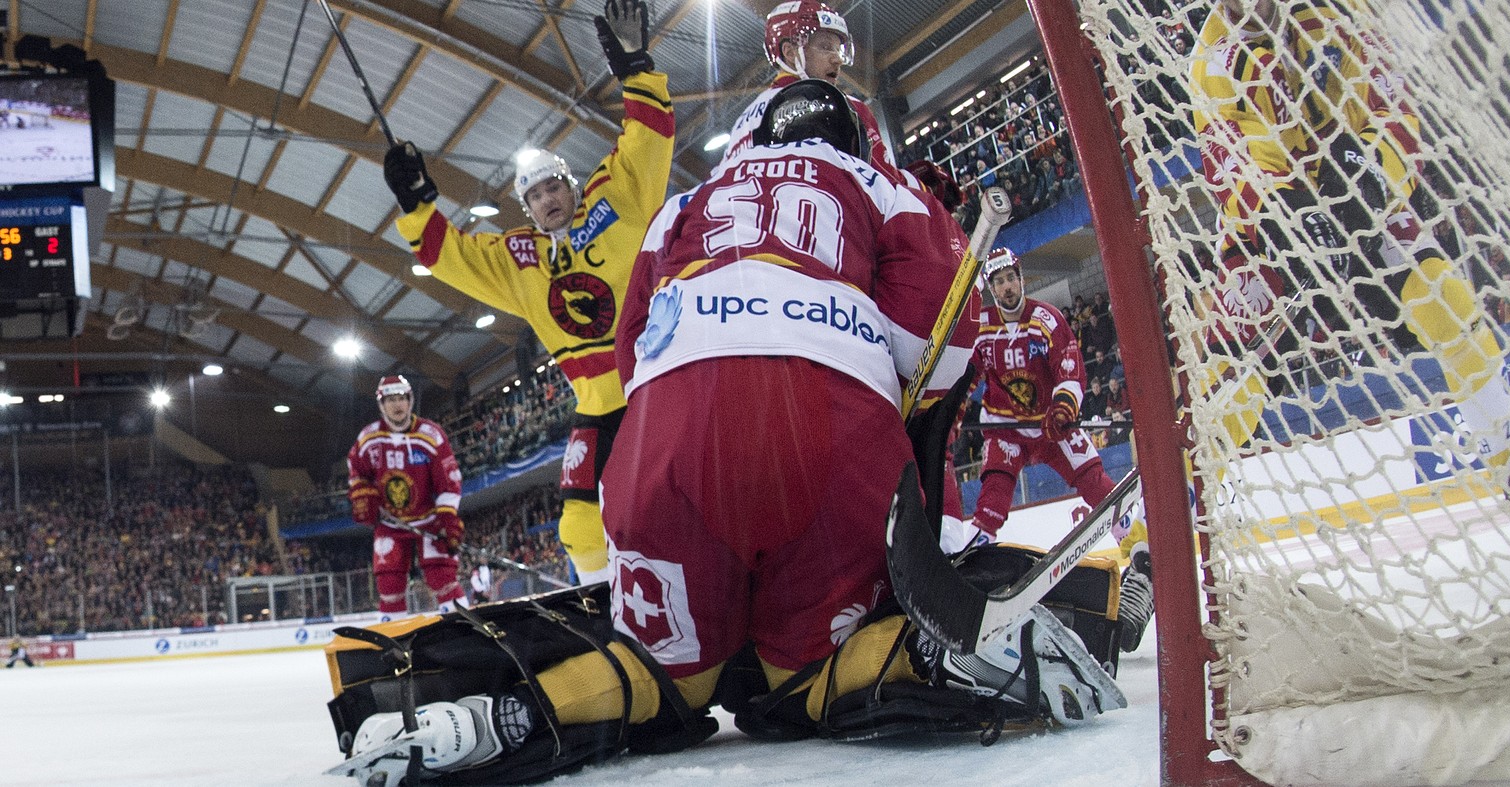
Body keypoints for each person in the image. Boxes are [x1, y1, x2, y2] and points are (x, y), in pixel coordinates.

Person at [332, 80, 1125, 787]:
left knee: (664, 675)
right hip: (828, 425)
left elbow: (631, 344)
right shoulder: (878, 182)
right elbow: (946, 337)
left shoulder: (685, 203)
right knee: (801, 673)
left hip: (664, 428)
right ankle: (928, 658)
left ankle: (501, 715)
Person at [1190, 0, 1510, 541]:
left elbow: (1396, 115)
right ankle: (1173, 526)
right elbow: (1226, 171)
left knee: (1445, 301)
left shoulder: (1343, 11)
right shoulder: (1208, 62)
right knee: (1226, 380)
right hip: (1272, 228)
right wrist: (1280, 214)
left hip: (1359, 188)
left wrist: (1370, 178)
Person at [383, 0, 673, 584]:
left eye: (553, 186)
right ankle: (598, 607)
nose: (547, 199)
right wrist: (416, 205)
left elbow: (648, 140)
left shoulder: (620, 204)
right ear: (526, 207)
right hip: (594, 407)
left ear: (570, 185)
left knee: (674, 505)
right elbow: (452, 257)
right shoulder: (521, 261)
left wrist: (637, 68)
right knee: (579, 528)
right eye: (534, 195)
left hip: (654, 389)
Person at [940, 248, 1152, 652]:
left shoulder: (1046, 319)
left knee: (1100, 488)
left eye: (1012, 278)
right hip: (1006, 429)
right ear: (991, 287)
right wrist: (953, 417)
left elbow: (1070, 364)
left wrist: (1063, 407)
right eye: (999, 281)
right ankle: (969, 567)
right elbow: (965, 380)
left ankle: (1140, 545)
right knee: (991, 504)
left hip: (1051, 426)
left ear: (1022, 278)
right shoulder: (981, 329)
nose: (1007, 287)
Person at [711, 1, 910, 187]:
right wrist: (923, 187)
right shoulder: (844, 106)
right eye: (825, 47)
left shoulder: (742, 124)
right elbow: (887, 183)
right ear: (790, 52)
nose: (837, 60)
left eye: (837, 49)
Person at [347, 376, 467, 621]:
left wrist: (447, 519)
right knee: (389, 585)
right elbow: (356, 471)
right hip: (390, 524)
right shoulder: (368, 438)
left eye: (402, 398)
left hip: (429, 520)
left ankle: (466, 630)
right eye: (391, 399)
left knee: (442, 578)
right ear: (381, 404)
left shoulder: (430, 434)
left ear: (410, 401)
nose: (397, 405)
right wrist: (362, 493)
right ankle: (395, 645)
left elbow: (450, 480)